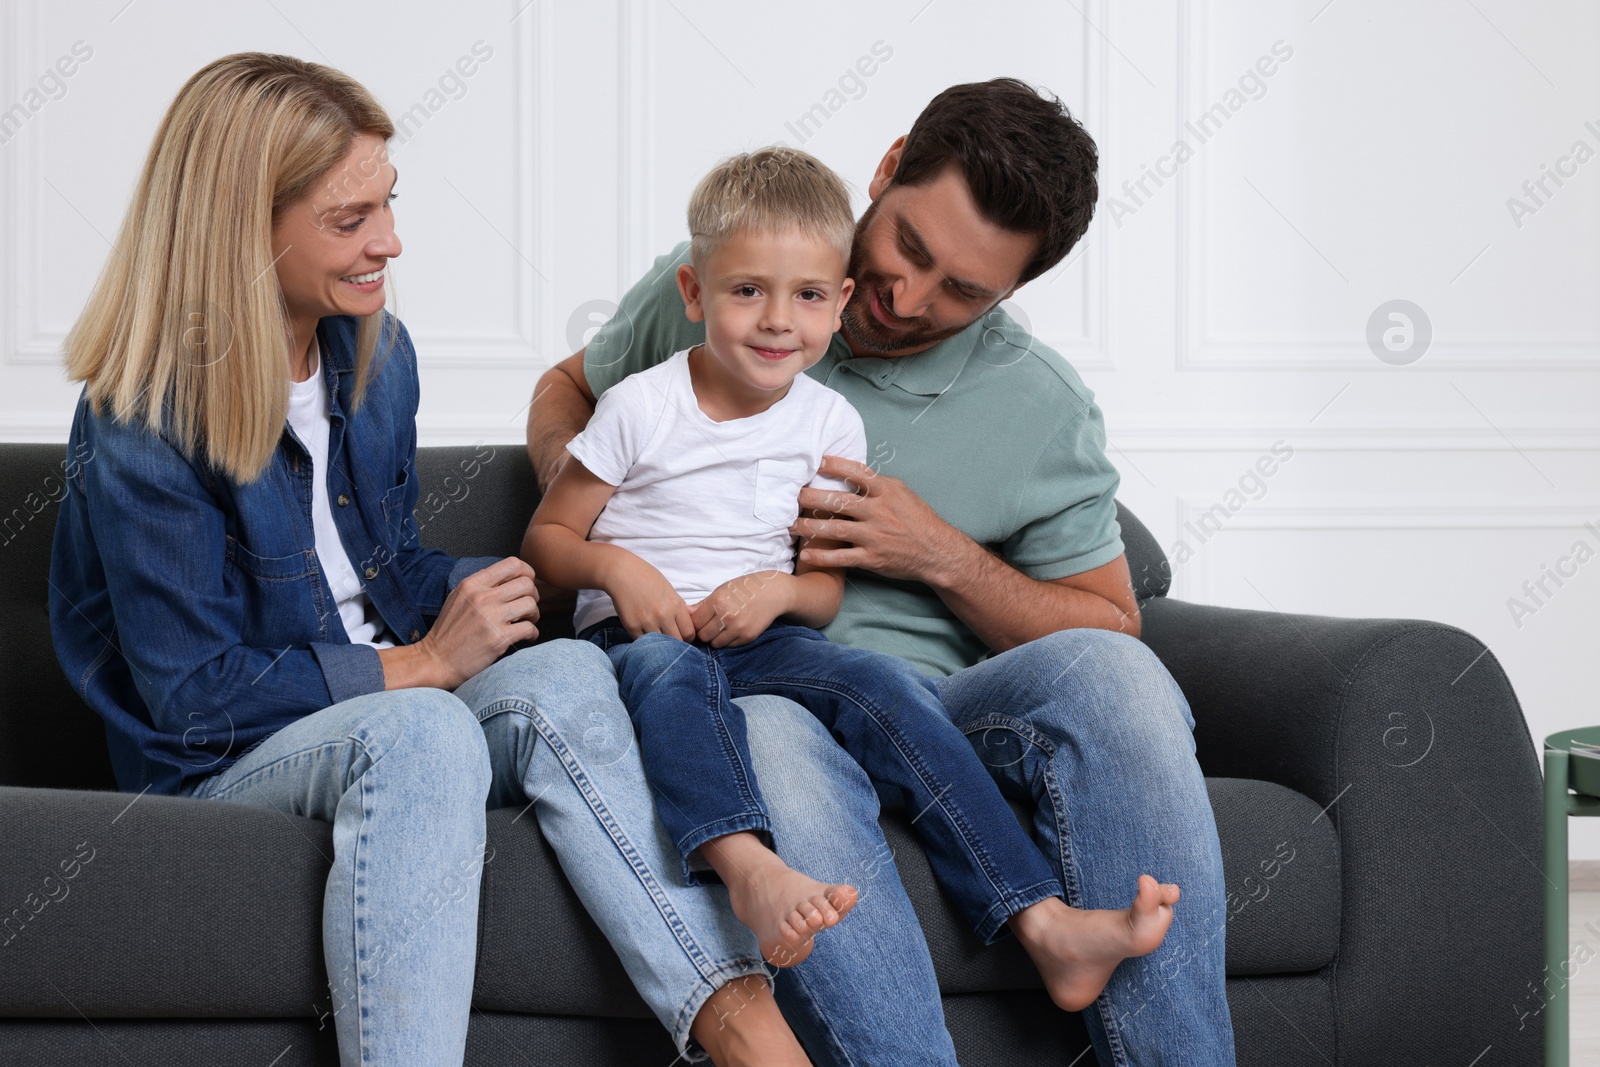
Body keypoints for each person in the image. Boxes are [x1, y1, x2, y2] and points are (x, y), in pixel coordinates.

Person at [48, 53, 835, 1067]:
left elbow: (379, 568)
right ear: (240, 229)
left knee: (566, 666)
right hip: (222, 763)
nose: (389, 241)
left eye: (387, 203)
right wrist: (422, 663)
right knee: (422, 729)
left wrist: (491, 588)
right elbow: (193, 698)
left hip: (381, 709)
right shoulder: (141, 413)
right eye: (349, 220)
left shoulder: (373, 352)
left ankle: (744, 1033)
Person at [529, 80, 1237, 1064]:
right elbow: (567, 388)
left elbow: (1109, 621)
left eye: (962, 291)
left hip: (938, 702)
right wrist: (599, 516)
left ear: (1012, 293)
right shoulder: (741, 282)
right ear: (887, 164)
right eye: (907, 247)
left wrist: (940, 555)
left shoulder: (1039, 404)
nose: (907, 299)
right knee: (774, 728)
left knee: (1120, 677)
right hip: (748, 684)